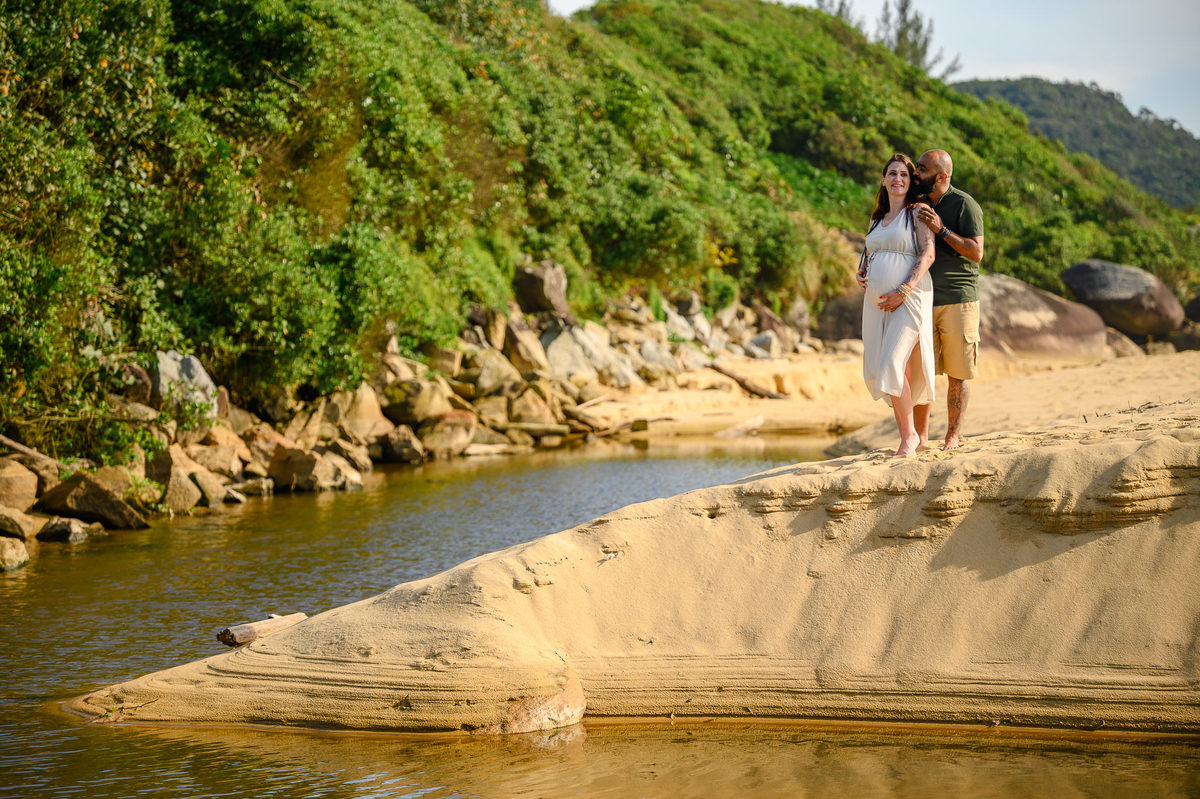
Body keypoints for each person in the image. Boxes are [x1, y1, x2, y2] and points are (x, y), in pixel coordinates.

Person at [856, 153, 936, 456]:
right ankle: (909, 436)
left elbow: (928, 254)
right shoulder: (877, 217)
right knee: (887, 366)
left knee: (893, 362)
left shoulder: (917, 212)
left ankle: (910, 438)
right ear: (883, 179)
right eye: (892, 173)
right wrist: (860, 271)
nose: (898, 179)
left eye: (904, 174)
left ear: (910, 180)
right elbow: (869, 252)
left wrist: (903, 290)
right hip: (876, 304)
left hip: (910, 298)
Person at [911, 149, 985, 450]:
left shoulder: (965, 204)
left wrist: (941, 229)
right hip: (923, 299)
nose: (916, 173)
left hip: (959, 298)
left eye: (922, 169)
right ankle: (920, 440)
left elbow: (976, 252)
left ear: (941, 176)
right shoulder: (919, 203)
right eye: (916, 167)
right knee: (923, 372)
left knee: (958, 373)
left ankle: (952, 437)